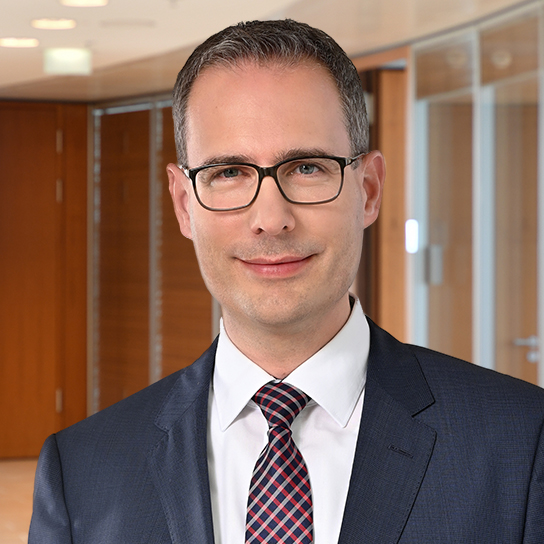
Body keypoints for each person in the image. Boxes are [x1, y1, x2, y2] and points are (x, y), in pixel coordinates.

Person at [30, 19, 544, 544]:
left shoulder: (521, 445)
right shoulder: (82, 472)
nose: (271, 219)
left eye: (306, 168)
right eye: (229, 173)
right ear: (184, 205)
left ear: (368, 190)